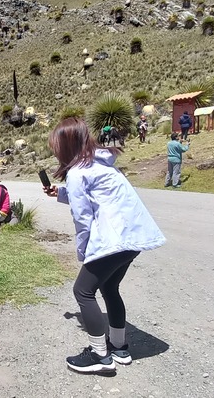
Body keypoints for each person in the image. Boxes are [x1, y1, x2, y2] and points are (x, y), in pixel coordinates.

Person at [44, 117, 165, 374]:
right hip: (134, 238)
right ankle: (119, 348)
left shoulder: (77, 173)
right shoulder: (99, 164)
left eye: (56, 146)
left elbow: (83, 218)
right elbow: (100, 198)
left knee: (83, 291)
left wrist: (84, 251)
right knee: (110, 286)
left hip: (114, 239)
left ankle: (100, 355)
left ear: (65, 145)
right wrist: (62, 193)